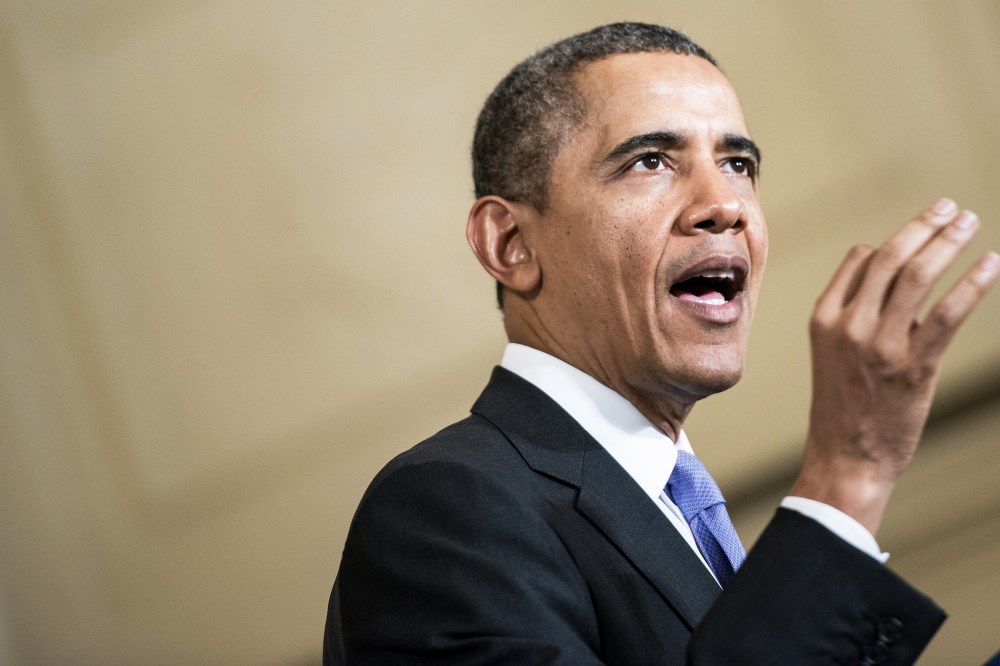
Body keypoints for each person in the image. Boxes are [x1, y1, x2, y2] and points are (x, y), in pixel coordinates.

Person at [324, 22, 998, 664]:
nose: (724, 204)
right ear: (511, 244)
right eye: (650, 161)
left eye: (738, 163)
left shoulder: (670, 505)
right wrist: (849, 473)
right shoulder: (447, 509)